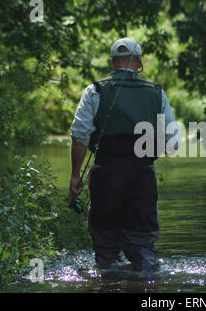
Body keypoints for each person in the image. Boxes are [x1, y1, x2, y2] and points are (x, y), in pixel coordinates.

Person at [69, 37, 180, 273]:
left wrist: (75, 175)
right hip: (142, 173)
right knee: (143, 248)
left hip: (105, 172)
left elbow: (79, 135)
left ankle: (108, 284)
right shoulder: (157, 93)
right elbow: (173, 144)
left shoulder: (95, 91)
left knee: (106, 247)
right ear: (139, 63)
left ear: (112, 62)